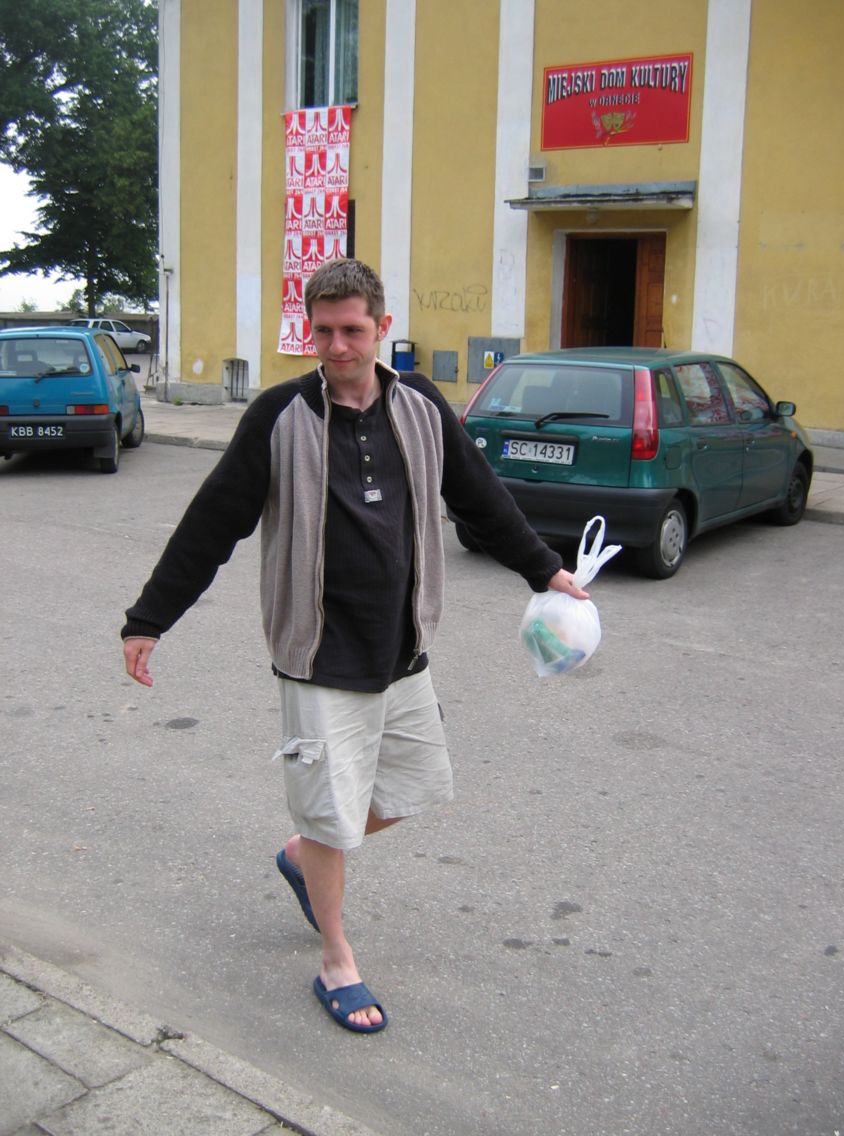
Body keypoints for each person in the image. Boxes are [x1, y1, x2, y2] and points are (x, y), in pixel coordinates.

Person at [122, 258, 589, 1034]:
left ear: (382, 328)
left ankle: (304, 853)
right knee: (329, 818)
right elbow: (212, 524)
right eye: (324, 331)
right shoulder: (279, 416)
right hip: (316, 655)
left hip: (400, 647)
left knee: (410, 791)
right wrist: (149, 618)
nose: (337, 346)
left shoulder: (422, 407)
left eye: (352, 330)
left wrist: (545, 569)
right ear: (310, 331)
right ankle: (336, 958)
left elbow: (480, 498)